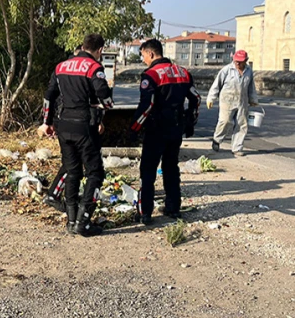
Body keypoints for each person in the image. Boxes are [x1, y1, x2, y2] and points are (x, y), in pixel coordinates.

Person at [38, 34, 114, 237]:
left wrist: (47, 122)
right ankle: (84, 222)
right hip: (83, 125)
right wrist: (99, 110)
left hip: (63, 125)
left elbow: (49, 97)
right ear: (99, 50)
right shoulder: (94, 68)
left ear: (82, 46)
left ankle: (71, 221)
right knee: (95, 173)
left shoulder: (61, 66)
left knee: (72, 172)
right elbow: (106, 99)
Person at [129, 39, 200, 225]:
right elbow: (196, 99)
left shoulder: (151, 75)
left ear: (151, 54)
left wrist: (134, 129)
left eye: (143, 55)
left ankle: (145, 213)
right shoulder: (183, 72)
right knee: (171, 168)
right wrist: (190, 121)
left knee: (148, 171)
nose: (143, 59)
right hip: (176, 128)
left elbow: (147, 105)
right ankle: (173, 208)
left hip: (156, 128)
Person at [207, 50, 258, 157]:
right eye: (236, 61)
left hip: (242, 100)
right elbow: (216, 84)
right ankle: (217, 139)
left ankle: (237, 147)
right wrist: (211, 98)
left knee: (242, 124)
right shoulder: (226, 70)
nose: (238, 64)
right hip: (227, 100)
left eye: (240, 62)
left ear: (246, 61)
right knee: (225, 121)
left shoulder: (249, 71)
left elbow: (251, 86)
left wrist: (253, 99)